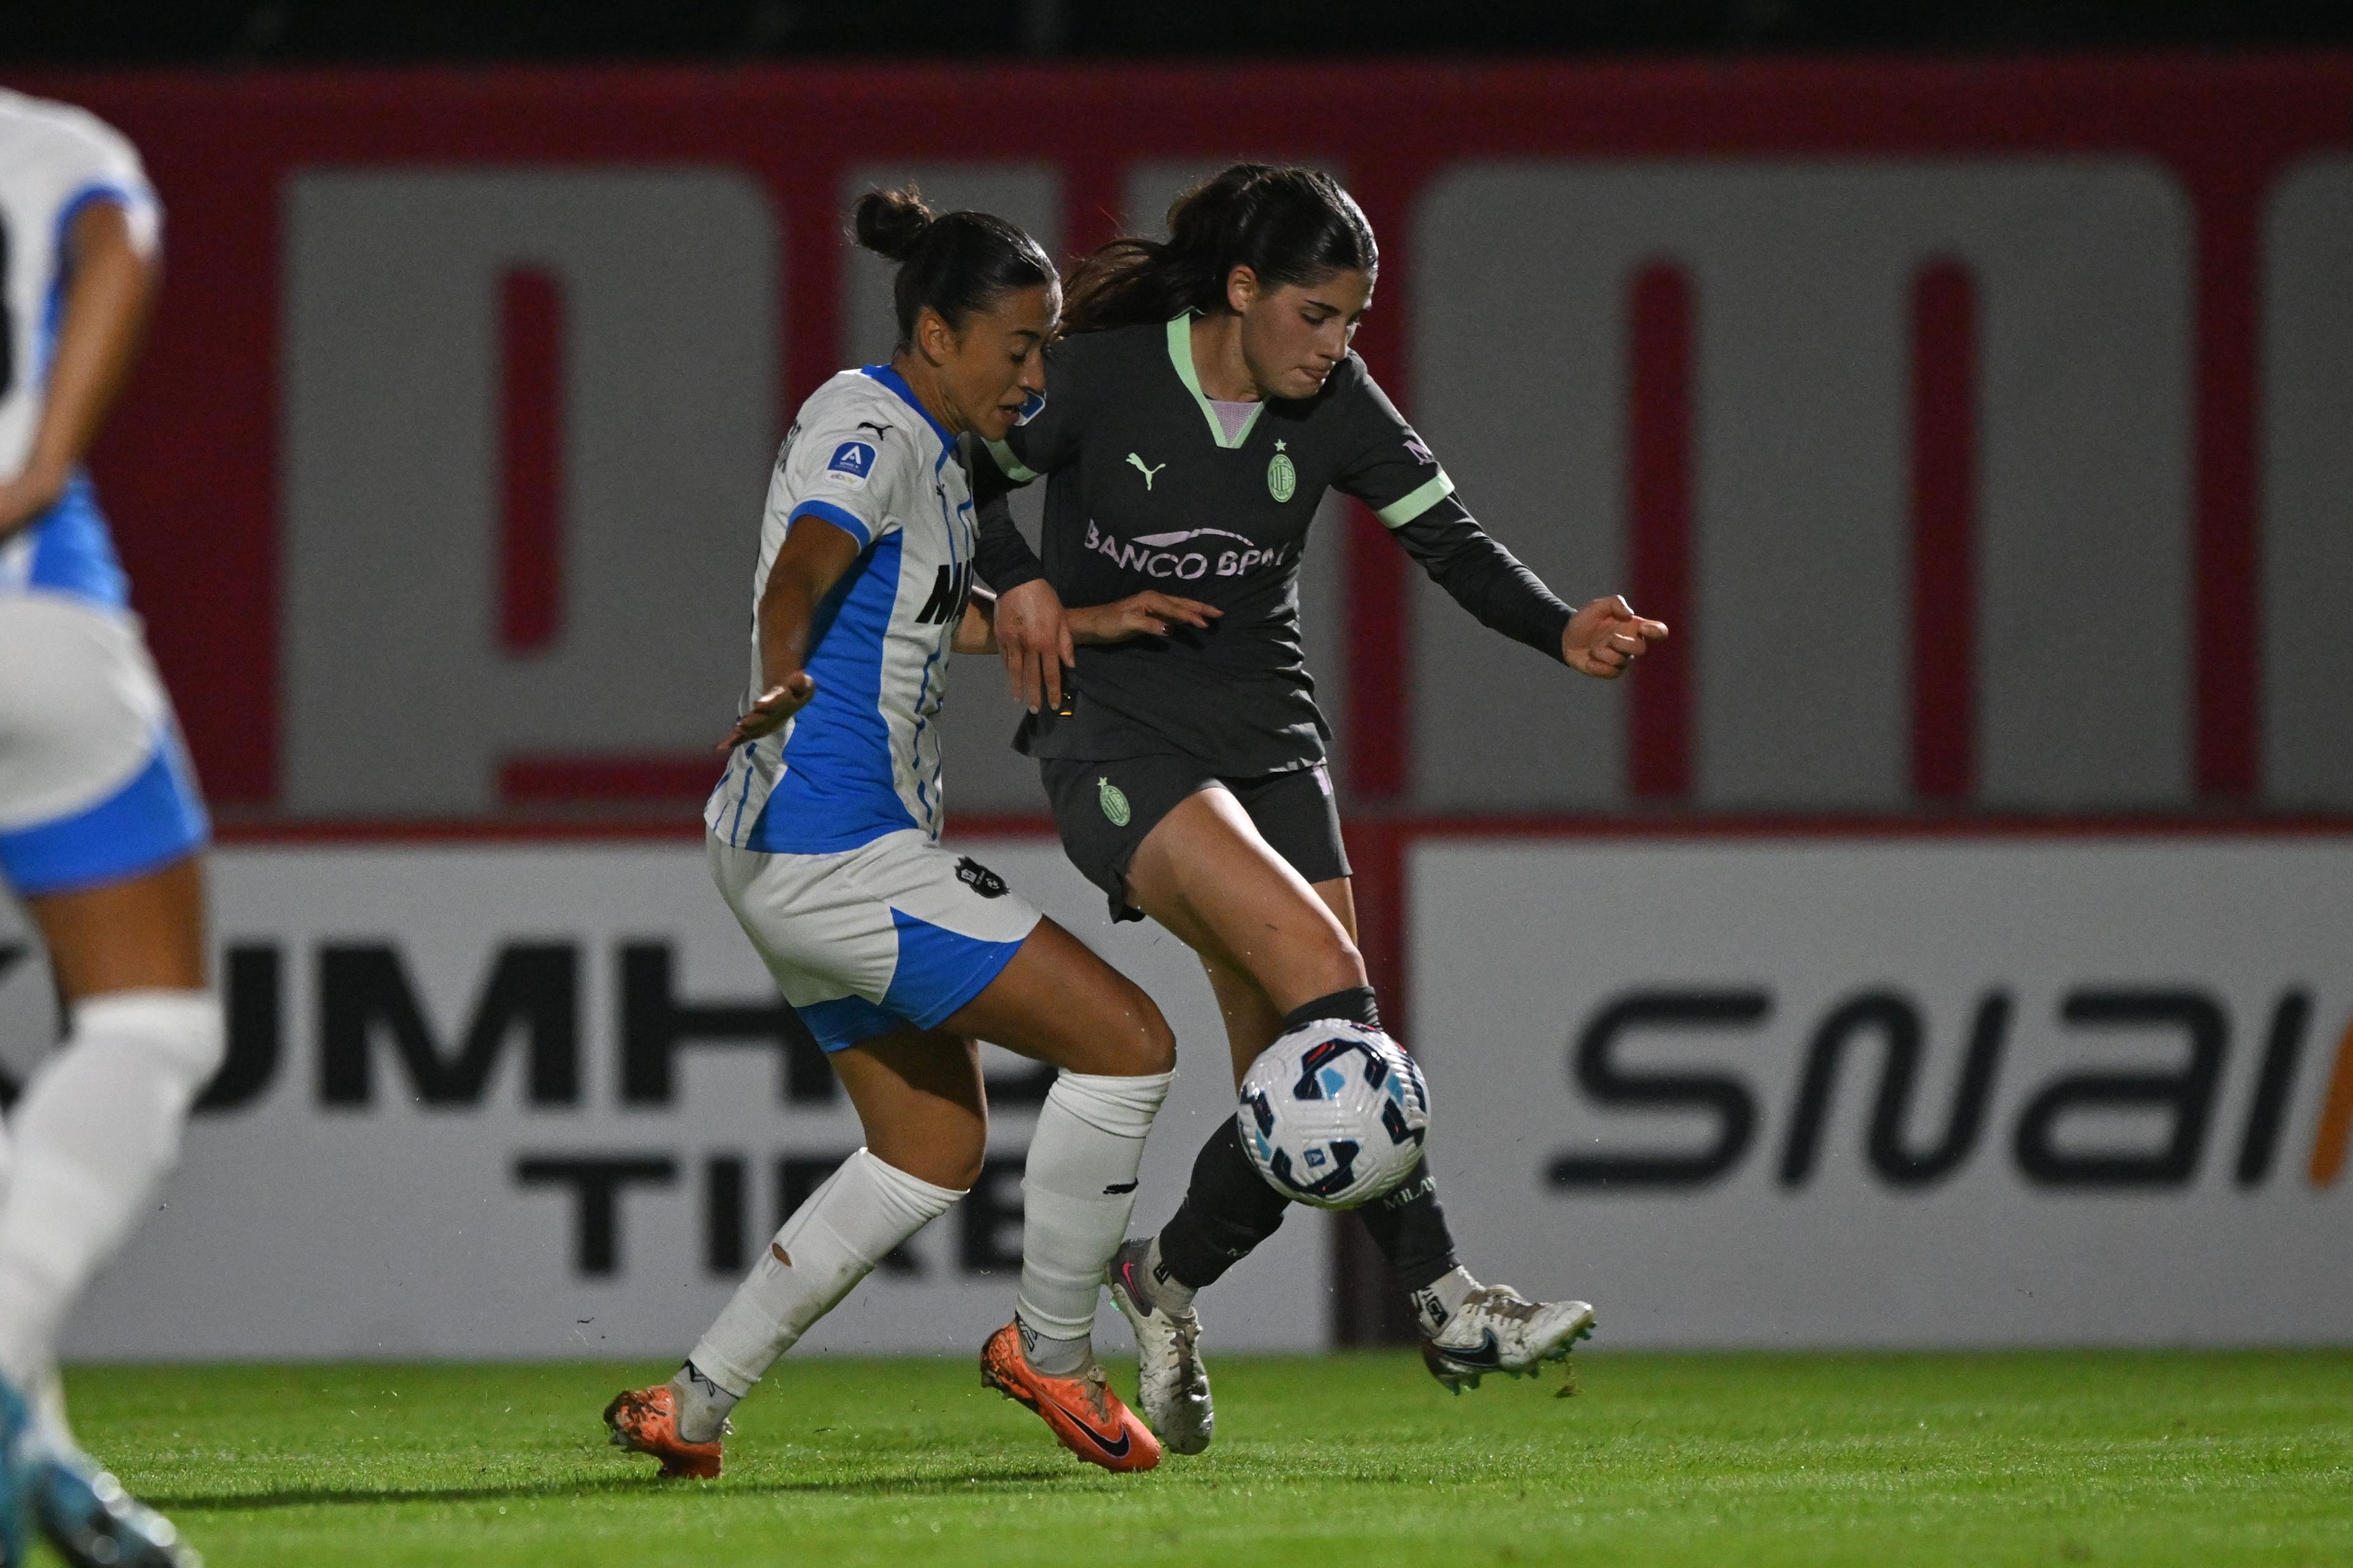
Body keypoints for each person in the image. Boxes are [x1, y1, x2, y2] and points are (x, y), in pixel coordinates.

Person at [972, 164, 1669, 1453]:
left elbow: (1450, 541)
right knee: (1331, 990)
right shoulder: (1107, 376)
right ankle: (1449, 1299)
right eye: (1316, 314)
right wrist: (1020, 581)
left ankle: (1162, 1279)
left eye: (1354, 319)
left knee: (1300, 1084)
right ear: (1241, 290)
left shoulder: (1336, 402)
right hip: (1117, 731)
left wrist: (1559, 626)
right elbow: (967, 464)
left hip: (1271, 740)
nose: (1336, 344)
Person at [604, 188, 1222, 1480]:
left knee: (932, 1146)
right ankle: (1053, 1353)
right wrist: (781, 665)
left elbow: (916, 614)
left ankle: (695, 1404)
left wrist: (1082, 625)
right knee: (1130, 1044)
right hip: (833, 850)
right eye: (1020, 346)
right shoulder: (871, 427)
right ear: (938, 335)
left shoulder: (932, 454)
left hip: (787, 852)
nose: (1036, 376)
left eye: (1047, 347)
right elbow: (804, 568)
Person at [0, 89, 216, 1567]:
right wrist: (35, 465)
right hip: (32, 616)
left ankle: (39, 1456)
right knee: (150, 1017)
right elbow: (118, 245)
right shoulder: (53, 149)